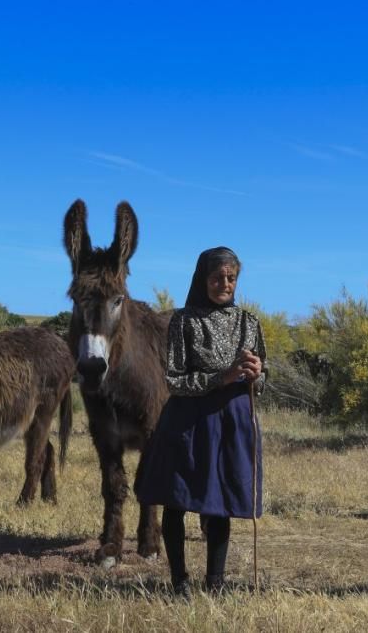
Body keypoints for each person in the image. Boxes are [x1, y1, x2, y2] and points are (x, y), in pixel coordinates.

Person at [135, 246, 266, 599]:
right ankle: (179, 582)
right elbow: (174, 380)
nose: (224, 284)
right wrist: (220, 379)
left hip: (233, 421)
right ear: (202, 279)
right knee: (176, 500)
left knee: (220, 502)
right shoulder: (184, 320)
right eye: (217, 278)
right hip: (189, 421)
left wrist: (256, 374)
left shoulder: (248, 322)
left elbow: (262, 382)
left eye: (231, 278)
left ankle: (216, 583)